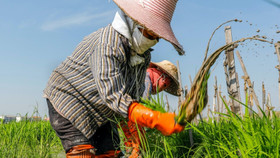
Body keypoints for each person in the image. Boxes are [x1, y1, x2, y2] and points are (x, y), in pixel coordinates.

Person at [43, 0, 185, 157]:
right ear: (133, 23)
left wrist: (135, 136)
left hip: (102, 110)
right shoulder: (108, 42)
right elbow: (112, 94)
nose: (153, 41)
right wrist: (154, 119)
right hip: (70, 99)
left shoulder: (143, 56)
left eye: (157, 37)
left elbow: (131, 99)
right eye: (150, 34)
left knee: (111, 153)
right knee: (83, 152)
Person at [121, 60, 181, 157]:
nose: (161, 89)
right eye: (164, 85)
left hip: (122, 116)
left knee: (128, 148)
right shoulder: (146, 79)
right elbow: (143, 108)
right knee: (139, 149)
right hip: (132, 118)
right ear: (161, 75)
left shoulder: (142, 75)